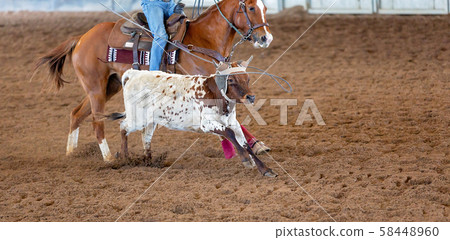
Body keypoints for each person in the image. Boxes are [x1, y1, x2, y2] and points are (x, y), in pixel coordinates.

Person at [141, 0, 184, 71]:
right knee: (161, 37)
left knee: (187, 27)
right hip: (153, 4)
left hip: (170, 4)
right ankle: (153, 72)